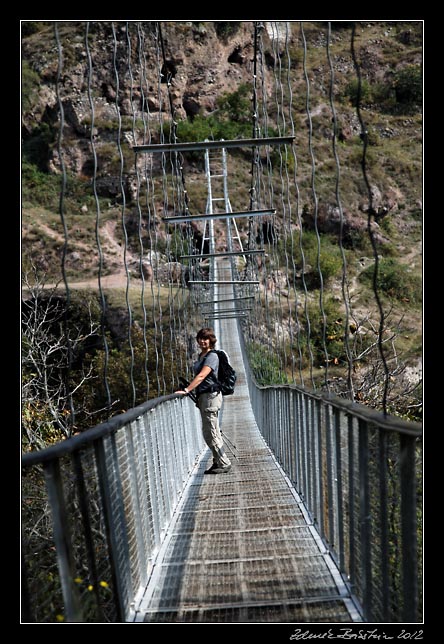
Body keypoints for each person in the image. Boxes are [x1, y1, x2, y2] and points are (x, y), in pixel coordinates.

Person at [175, 327, 232, 474]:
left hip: (211, 397)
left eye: (205, 338)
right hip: (204, 397)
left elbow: (201, 376)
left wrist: (187, 389)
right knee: (213, 431)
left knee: (210, 433)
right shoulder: (201, 356)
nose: (202, 341)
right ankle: (217, 461)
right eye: (200, 338)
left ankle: (224, 463)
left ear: (211, 340)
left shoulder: (212, 356)